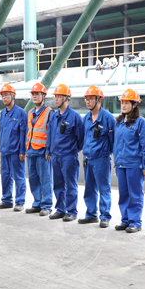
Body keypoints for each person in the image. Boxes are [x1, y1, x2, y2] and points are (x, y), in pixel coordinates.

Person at [46, 84, 84, 222]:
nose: (56, 99)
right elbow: (50, 134)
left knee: (70, 185)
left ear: (67, 98)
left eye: (59, 96)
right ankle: (60, 209)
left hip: (68, 156)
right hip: (55, 156)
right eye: (55, 96)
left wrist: (71, 151)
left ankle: (71, 211)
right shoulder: (54, 116)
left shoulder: (75, 117)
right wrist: (49, 150)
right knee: (58, 184)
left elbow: (81, 138)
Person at [113, 89, 145, 233]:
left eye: (127, 103)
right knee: (123, 194)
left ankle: (135, 222)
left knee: (135, 194)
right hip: (121, 164)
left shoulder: (141, 122)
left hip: (134, 164)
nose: (123, 105)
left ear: (134, 104)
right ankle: (125, 220)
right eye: (122, 102)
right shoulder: (119, 122)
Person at [79, 85, 115, 228]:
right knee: (89, 188)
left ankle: (105, 216)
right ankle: (91, 214)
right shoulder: (86, 118)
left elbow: (113, 140)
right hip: (88, 158)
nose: (88, 102)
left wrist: (105, 152)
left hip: (101, 159)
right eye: (86, 99)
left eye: (91, 99)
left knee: (103, 188)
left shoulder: (108, 118)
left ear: (99, 100)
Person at [0, 84, 27, 212]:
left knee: (19, 177)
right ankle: (7, 200)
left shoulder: (21, 113)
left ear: (13, 96)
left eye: (6, 95)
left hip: (16, 151)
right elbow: (1, 131)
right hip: (4, 151)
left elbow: (23, 133)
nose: (4, 97)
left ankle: (20, 201)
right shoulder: (3, 113)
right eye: (2, 95)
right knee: (5, 176)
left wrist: (23, 151)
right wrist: (1, 147)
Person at [24, 83, 53, 217]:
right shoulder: (30, 113)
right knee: (33, 179)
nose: (34, 96)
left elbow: (51, 133)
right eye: (33, 94)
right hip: (31, 151)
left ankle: (46, 205)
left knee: (45, 179)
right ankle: (37, 203)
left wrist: (48, 150)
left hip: (42, 152)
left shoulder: (49, 113)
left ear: (43, 96)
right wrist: (26, 149)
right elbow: (28, 132)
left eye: (37, 94)